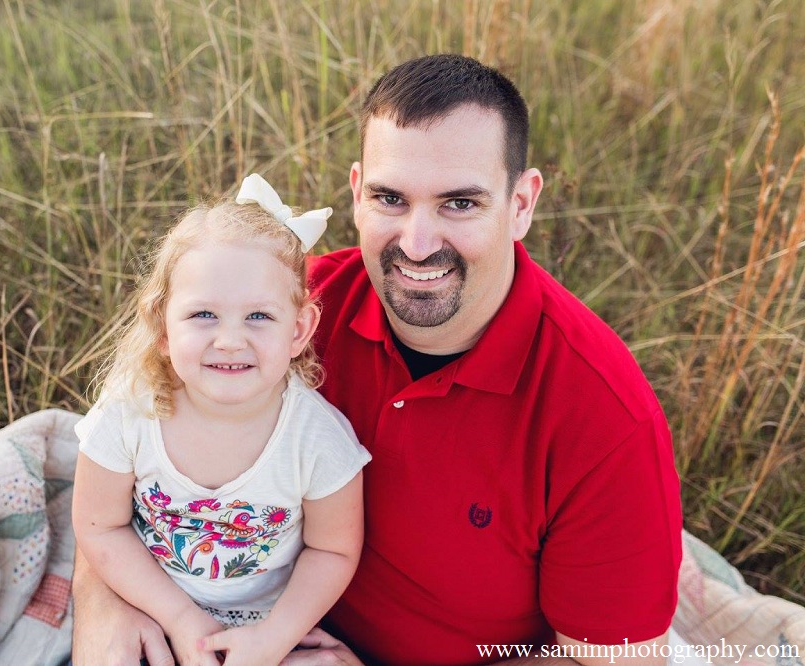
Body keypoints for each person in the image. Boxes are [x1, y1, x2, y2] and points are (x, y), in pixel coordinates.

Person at [70, 54, 682, 666]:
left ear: (520, 203)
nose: (417, 244)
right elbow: (133, 442)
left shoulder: (603, 415)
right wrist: (103, 599)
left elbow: (611, 659)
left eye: (459, 203)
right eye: (391, 199)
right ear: (358, 194)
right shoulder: (284, 312)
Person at [71, 174, 371, 666]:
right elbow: (100, 526)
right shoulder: (130, 410)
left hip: (270, 627)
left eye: (258, 317)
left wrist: (274, 639)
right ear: (162, 327)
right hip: (154, 610)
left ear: (299, 330)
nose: (230, 340)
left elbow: (333, 552)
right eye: (203, 315)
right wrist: (182, 621)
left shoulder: (318, 439)